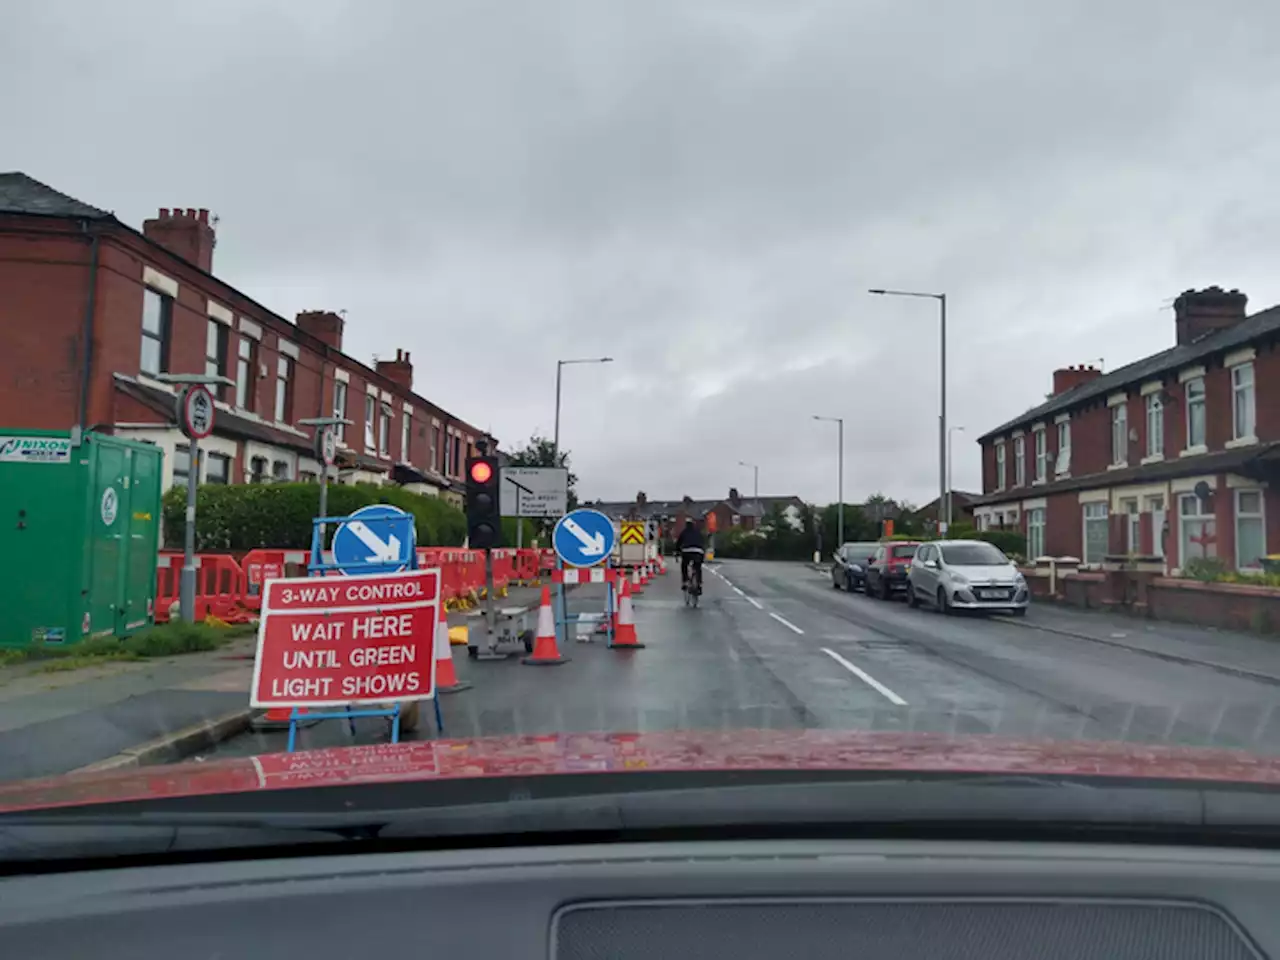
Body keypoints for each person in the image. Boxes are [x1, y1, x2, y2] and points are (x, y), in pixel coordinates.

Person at [674, 520, 706, 591]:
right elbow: (703, 543)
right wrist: (703, 556)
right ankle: (699, 583)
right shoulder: (698, 532)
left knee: (684, 565)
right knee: (698, 567)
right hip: (699, 551)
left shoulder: (684, 532)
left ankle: (685, 582)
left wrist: (677, 552)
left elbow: (678, 543)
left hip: (687, 551)